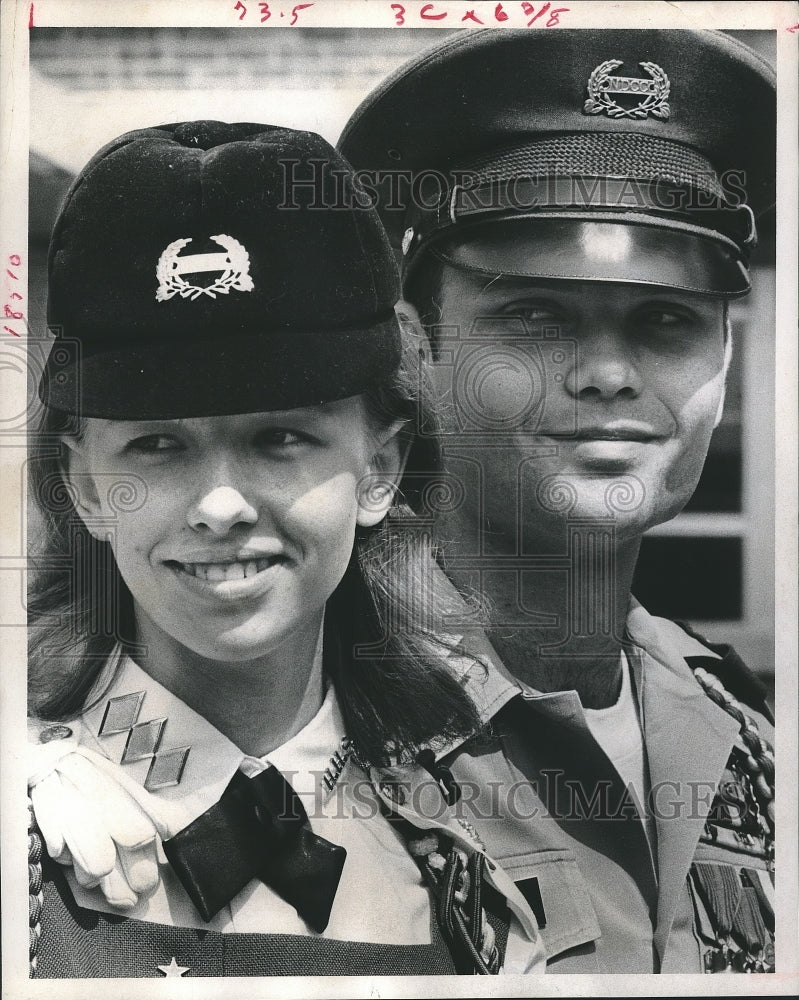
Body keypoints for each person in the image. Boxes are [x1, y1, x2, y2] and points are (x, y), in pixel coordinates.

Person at [26, 120, 546, 978]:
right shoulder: (26, 822)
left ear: (379, 468)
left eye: (280, 438)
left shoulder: (488, 830)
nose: (220, 506)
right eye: (156, 444)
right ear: (84, 486)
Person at [339, 29, 776, 973]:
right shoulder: (288, 725)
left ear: (725, 361)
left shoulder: (744, 727)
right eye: (533, 314)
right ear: (416, 351)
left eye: (667, 320)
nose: (609, 374)